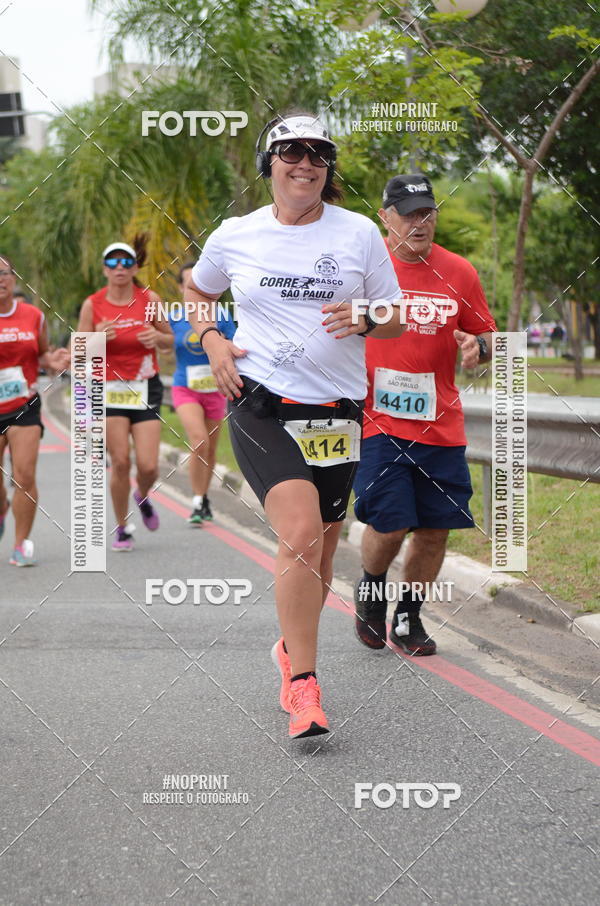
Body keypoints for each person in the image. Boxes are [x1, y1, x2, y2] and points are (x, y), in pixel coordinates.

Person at [184, 112, 405, 738]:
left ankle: (288, 648)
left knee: (325, 544)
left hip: (336, 411)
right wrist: (212, 340)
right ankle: (304, 685)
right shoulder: (236, 234)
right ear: (269, 162)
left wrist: (364, 315)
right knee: (303, 533)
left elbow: (394, 316)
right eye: (290, 151)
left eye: (317, 153)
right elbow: (197, 291)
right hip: (259, 402)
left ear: (327, 167)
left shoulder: (359, 232)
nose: (304, 162)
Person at [353, 174, 497, 655]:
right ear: (385, 217)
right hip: (379, 422)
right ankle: (371, 591)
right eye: (410, 213)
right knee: (390, 524)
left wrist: (479, 346)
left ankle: (409, 618)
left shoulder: (459, 272)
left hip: (441, 424)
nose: (421, 221)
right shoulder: (364, 271)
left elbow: (490, 335)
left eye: (428, 212)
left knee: (435, 531)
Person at [75, 238, 172, 551]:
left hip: (145, 387)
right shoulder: (93, 304)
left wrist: (157, 336)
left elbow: (171, 340)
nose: (120, 268)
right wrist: (97, 338)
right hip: (109, 391)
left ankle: (141, 495)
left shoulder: (150, 299)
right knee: (120, 462)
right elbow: (78, 353)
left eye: (126, 262)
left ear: (134, 267)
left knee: (148, 467)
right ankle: (122, 527)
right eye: (113, 263)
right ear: (104, 269)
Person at [0, 254, 69, 565]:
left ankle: (20, 544)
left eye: (4, 273)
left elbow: (42, 355)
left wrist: (52, 361)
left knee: (24, 476)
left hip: (23, 406)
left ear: (14, 278)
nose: (0, 280)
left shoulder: (33, 316)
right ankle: (3, 507)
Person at [168, 263, 236, 525]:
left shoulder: (220, 313)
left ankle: (203, 496)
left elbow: (233, 343)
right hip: (185, 386)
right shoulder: (173, 315)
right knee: (199, 442)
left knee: (210, 449)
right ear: (181, 288)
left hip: (215, 388)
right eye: (187, 283)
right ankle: (196, 500)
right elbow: (163, 344)